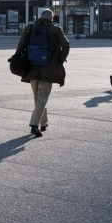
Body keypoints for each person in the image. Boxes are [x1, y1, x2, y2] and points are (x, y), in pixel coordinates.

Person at [14, 9, 70, 137]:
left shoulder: (30, 27)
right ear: (51, 18)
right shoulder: (56, 29)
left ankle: (43, 122)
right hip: (49, 68)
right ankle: (34, 125)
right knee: (43, 96)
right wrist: (60, 60)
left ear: (40, 17)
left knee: (37, 97)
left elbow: (21, 45)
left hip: (32, 67)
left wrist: (16, 57)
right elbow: (66, 45)